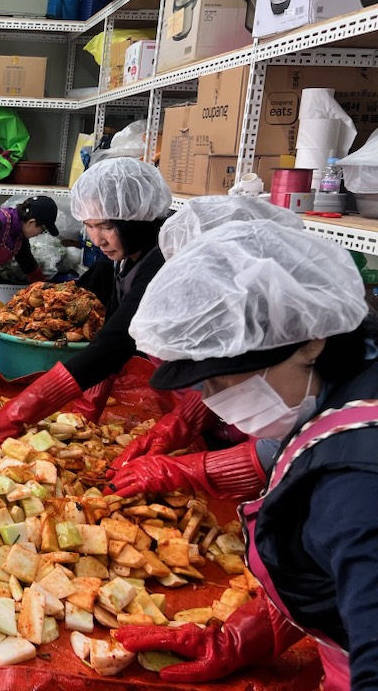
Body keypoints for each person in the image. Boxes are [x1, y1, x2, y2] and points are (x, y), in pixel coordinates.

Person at [115, 220, 373, 690]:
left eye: (222, 380)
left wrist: (193, 470)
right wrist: (249, 635)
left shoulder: (356, 480)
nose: (212, 400)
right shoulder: (344, 383)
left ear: (309, 340)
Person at [107, 195, 306, 500]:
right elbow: (224, 378)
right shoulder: (243, 320)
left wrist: (189, 471)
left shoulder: (295, 331)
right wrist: (179, 424)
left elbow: (295, 443)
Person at [0, 157, 171, 444]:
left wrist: (24, 409)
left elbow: (115, 343)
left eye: (106, 226)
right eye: (89, 226)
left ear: (136, 217)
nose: (97, 240)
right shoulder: (123, 260)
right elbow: (111, 332)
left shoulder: (161, 262)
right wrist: (88, 406)